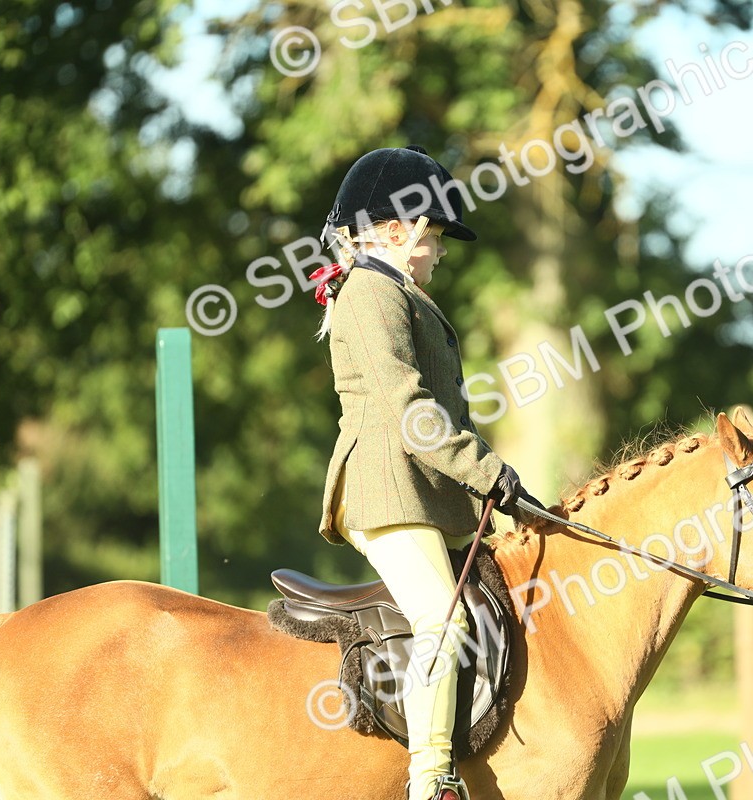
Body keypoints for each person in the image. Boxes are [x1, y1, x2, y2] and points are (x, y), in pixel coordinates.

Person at [311, 145, 527, 800]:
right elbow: (412, 415)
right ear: (401, 230)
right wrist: (488, 472)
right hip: (384, 487)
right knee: (442, 618)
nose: (438, 252)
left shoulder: (393, 289)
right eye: (434, 237)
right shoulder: (372, 293)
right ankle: (430, 778)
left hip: (420, 490)